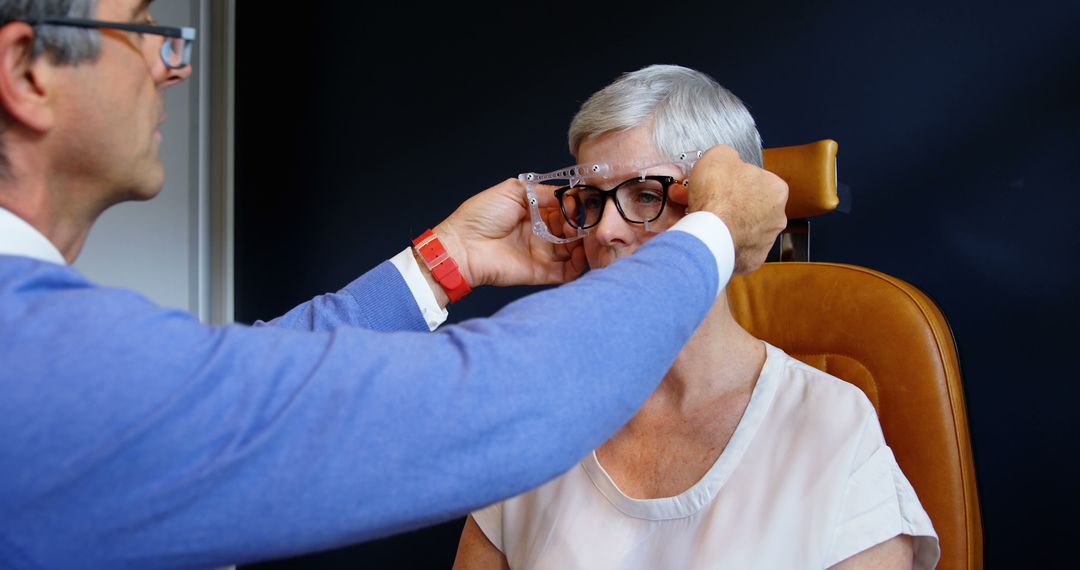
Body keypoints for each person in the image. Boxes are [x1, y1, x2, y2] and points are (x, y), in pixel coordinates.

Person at [0, 2, 789, 569]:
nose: (171, 68)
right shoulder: (32, 359)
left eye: (649, 197)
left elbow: (249, 390)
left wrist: (445, 262)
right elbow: (505, 401)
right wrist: (709, 233)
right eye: (143, 30)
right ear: (27, 70)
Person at [453, 65, 940, 569]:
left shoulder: (830, 423)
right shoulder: (537, 413)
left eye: (646, 195)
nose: (603, 233)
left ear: (734, 212)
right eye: (593, 201)